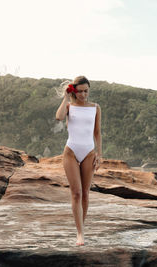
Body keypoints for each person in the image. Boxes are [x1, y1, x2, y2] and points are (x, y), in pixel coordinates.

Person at [55, 76, 102, 246]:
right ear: (75, 90)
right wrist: (66, 97)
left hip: (89, 152)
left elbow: (97, 132)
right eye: (80, 91)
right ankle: (80, 234)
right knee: (76, 193)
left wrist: (100, 154)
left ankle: (81, 227)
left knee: (86, 194)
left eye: (86, 91)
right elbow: (59, 117)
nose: (83, 94)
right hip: (71, 152)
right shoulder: (69, 107)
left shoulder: (95, 108)